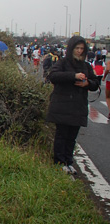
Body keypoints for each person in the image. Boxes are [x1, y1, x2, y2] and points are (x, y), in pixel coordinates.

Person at [46, 36, 99, 175]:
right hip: (63, 106)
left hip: (78, 106)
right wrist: (73, 76)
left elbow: (95, 83)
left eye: (82, 49)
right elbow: (53, 76)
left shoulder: (86, 66)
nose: (80, 51)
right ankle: (59, 162)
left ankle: (68, 162)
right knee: (61, 135)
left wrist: (87, 83)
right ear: (71, 49)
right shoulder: (63, 63)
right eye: (77, 48)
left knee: (72, 137)